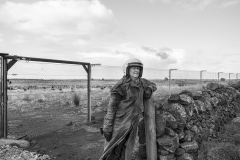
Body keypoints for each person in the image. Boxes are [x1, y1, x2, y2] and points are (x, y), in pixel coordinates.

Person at [99, 58, 157, 160]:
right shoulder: (120, 86)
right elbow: (111, 108)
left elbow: (153, 84)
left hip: (133, 123)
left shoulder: (142, 82)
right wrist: (107, 126)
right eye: (133, 68)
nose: (136, 71)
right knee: (111, 150)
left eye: (138, 68)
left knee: (126, 149)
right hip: (120, 123)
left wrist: (149, 89)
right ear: (127, 70)